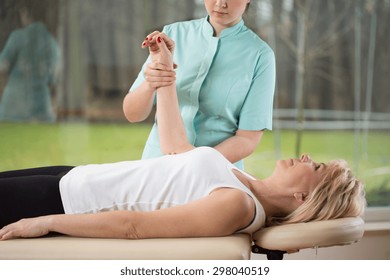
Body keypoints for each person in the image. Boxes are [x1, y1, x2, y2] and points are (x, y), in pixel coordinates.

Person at [0, 37, 365, 241]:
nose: (306, 157)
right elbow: (175, 147)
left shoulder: (239, 206)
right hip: (75, 178)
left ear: (304, 197)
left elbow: (135, 226)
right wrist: (166, 69)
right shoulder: (247, 183)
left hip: (65, 202)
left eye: (315, 166)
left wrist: (47, 221)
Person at [123, 0, 276, 169]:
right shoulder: (172, 34)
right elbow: (133, 114)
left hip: (214, 173)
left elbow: (247, 139)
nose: (220, 3)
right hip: (157, 166)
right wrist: (151, 83)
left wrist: (198, 165)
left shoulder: (261, 56)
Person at [0, 1, 60, 122]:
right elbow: (55, 81)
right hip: (42, 111)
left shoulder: (17, 37)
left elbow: (2, 69)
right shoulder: (52, 43)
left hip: (12, 109)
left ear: (25, 13)